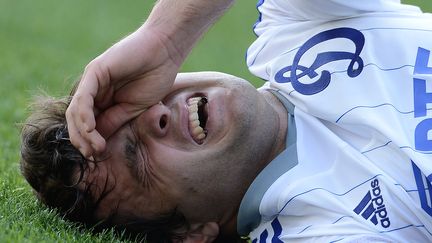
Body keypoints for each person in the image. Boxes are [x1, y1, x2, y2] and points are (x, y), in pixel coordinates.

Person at [20, 0, 432, 242]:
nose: (155, 113)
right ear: (191, 233)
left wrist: (165, 38)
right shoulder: (315, 227)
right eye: (138, 160)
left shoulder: (295, 26)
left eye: (129, 107)